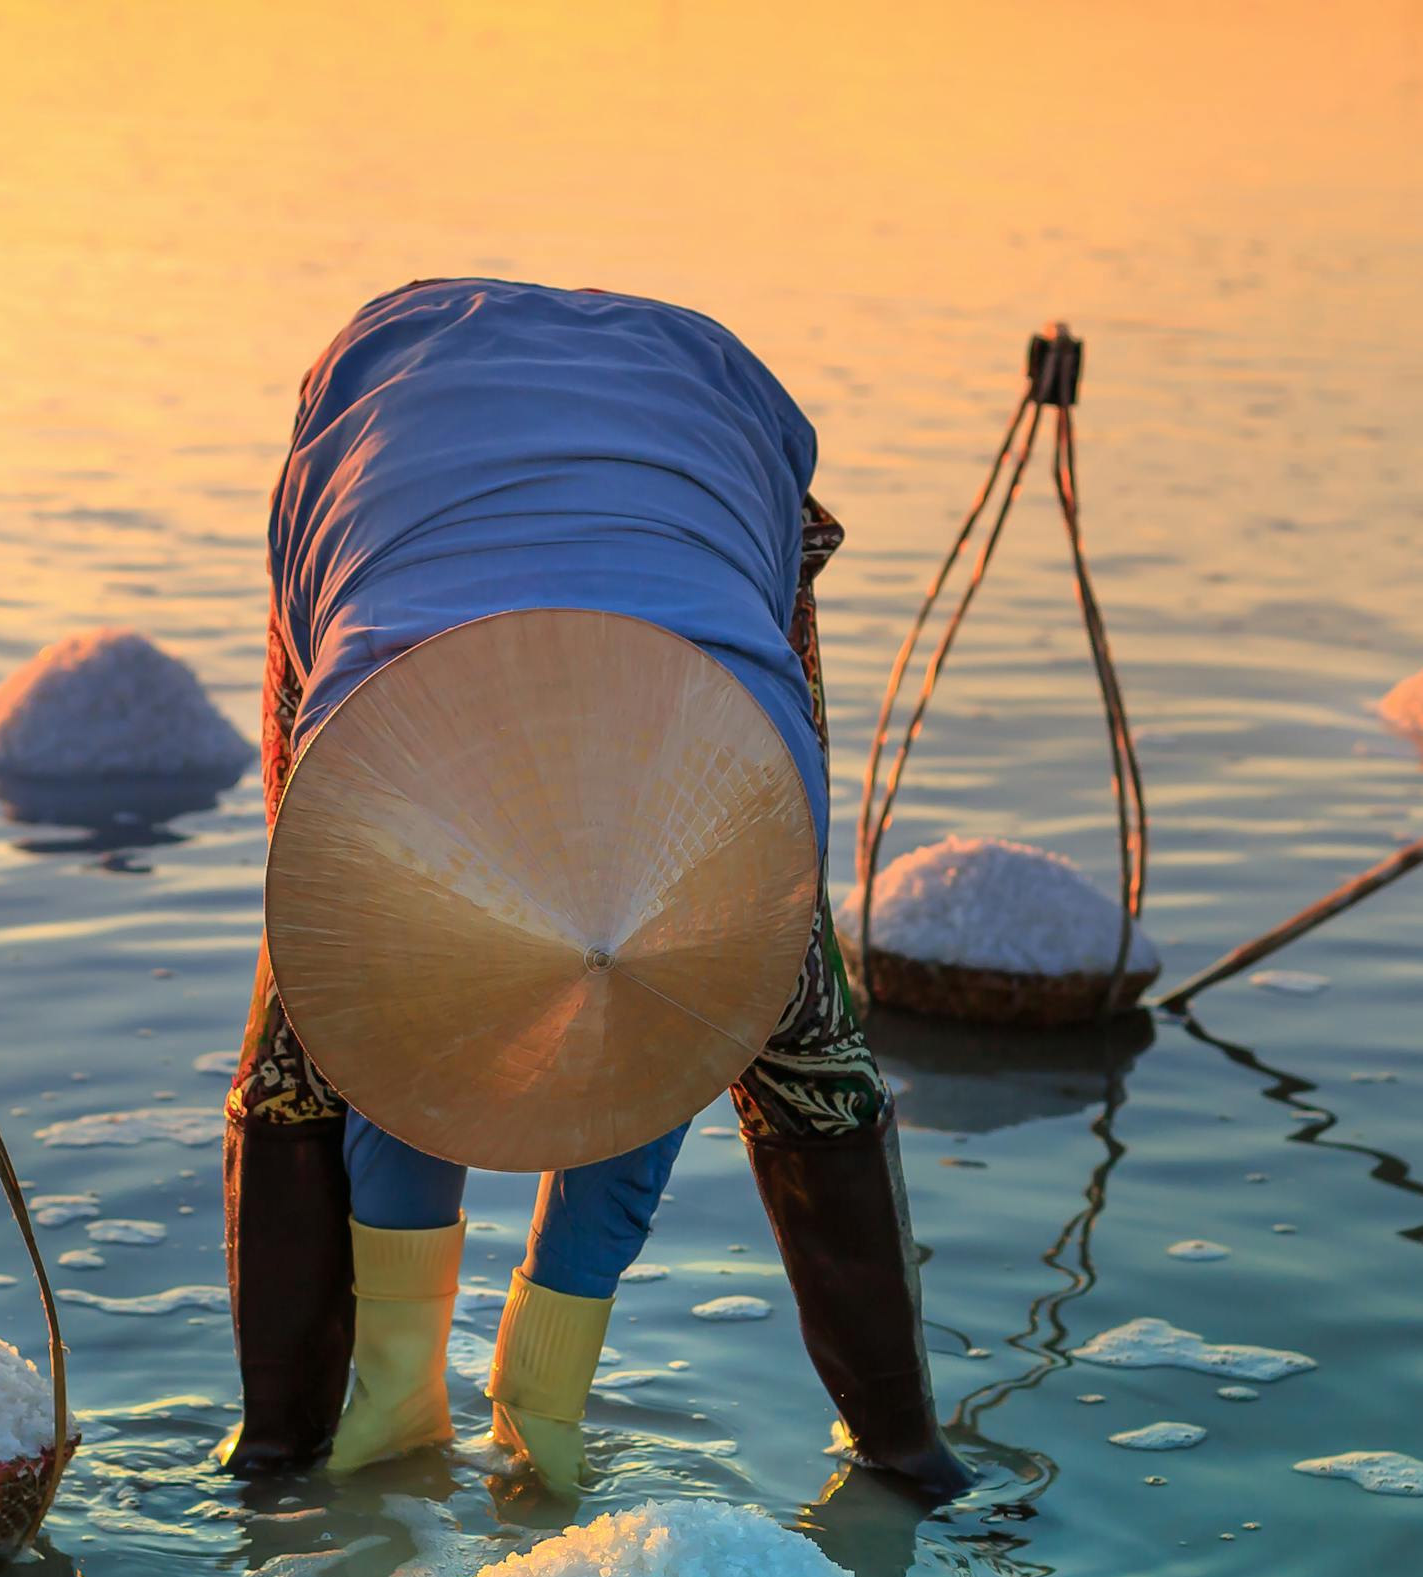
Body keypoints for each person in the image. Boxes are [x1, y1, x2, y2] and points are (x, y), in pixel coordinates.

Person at [219, 278, 969, 1500]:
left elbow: (681, 1002)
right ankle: (907, 1466)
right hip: (394, 440)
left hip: (697, 444)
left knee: (744, 997)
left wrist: (552, 1345)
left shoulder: (747, 806)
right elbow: (352, 977)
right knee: (329, 987)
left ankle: (305, 1453)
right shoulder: (374, 737)